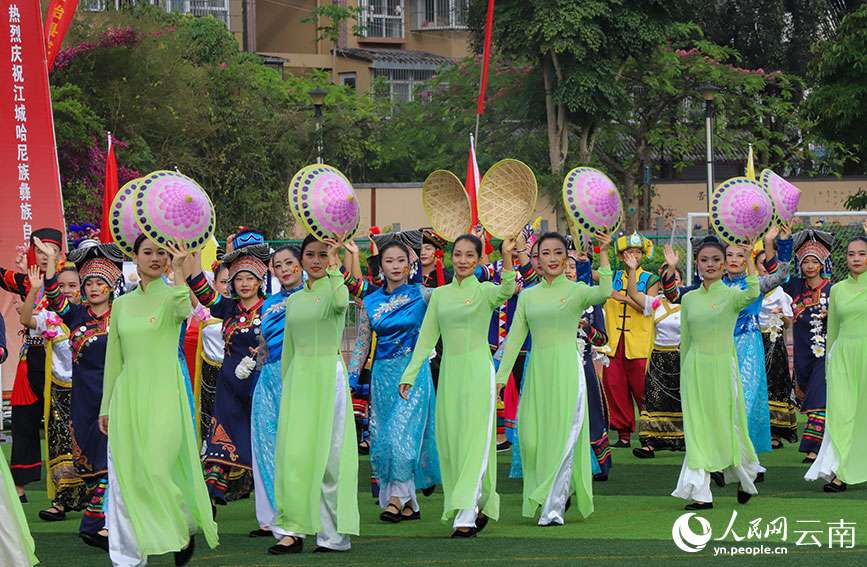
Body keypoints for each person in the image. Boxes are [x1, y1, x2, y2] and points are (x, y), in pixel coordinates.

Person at [100, 235, 218, 566]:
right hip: (126, 396)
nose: (154, 258)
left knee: (157, 469)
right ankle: (126, 558)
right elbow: (114, 358)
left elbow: (184, 309)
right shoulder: (121, 304)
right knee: (125, 479)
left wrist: (180, 270)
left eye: (161, 253)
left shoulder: (173, 296)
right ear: (134, 258)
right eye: (147, 252)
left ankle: (181, 527)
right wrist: (106, 405)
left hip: (166, 393)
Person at [399, 233, 517, 538]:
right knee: (451, 443)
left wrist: (506, 255)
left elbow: (507, 288)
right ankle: (475, 500)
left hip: (479, 372)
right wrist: (409, 375)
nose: (463, 261)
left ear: (478, 261)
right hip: (450, 374)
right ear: (450, 258)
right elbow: (426, 338)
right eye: (459, 255)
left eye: (469, 256)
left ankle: (465, 515)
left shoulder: (485, 292)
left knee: (475, 441)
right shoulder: (439, 295)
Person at [496, 232, 612, 526]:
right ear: (536, 259)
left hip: (568, 369)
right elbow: (515, 338)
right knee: (532, 440)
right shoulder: (528, 296)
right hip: (538, 371)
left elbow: (605, 292)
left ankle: (552, 509)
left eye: (557, 253)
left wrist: (604, 252)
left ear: (566, 257)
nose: (551, 259)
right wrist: (500, 377)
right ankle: (562, 487)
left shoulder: (577, 290)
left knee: (564, 437)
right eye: (544, 253)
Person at [270, 234, 359, 554]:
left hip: (329, 374)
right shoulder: (293, 301)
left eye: (323, 255)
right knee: (294, 455)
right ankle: (292, 530)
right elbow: (288, 351)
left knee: (331, 458)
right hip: (298, 379)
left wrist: (337, 261)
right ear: (301, 259)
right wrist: (286, 387)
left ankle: (333, 535)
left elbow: (340, 304)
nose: (317, 260)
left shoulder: (335, 288)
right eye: (311, 255)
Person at [662, 237, 789, 459]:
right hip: (714, 349)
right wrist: (671, 268)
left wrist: (776, 243)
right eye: (729, 255)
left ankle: (746, 460)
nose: (734, 259)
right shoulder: (709, 287)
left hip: (747, 346)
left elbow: (782, 276)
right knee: (717, 404)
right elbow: (674, 295)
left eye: (740, 255)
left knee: (744, 402)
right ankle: (721, 455)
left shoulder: (754, 283)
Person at [37, 239, 126, 550]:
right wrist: (50, 264)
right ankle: (108, 524)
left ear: (112, 285)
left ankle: (95, 523)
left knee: (108, 463)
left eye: (100, 282)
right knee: (90, 465)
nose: (93, 288)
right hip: (83, 400)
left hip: (115, 398)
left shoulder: (123, 315)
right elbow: (52, 297)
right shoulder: (76, 316)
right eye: (89, 283)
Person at [348, 240, 440, 523]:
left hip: (413, 373)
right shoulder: (371, 302)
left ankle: (396, 500)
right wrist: (350, 377)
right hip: (382, 376)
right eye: (390, 261)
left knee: (400, 435)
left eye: (401, 260)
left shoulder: (424, 295)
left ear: (410, 264)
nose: (396, 266)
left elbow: (458, 300)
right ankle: (408, 503)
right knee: (383, 436)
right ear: (381, 266)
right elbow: (362, 343)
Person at [672, 236, 762, 509]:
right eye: (704, 260)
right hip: (694, 369)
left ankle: (748, 476)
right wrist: (684, 373)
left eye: (716, 260)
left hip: (723, 368)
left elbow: (753, 293)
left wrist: (749, 261)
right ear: (696, 264)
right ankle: (701, 493)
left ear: (725, 265)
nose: (710, 264)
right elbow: (686, 339)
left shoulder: (732, 295)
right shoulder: (689, 299)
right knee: (697, 428)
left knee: (728, 424)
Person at [183, 230, 269, 509]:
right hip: (229, 386)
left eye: (250, 278)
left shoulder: (271, 309)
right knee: (221, 438)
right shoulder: (228, 308)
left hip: (261, 386)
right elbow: (199, 287)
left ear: (260, 281)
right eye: (238, 279)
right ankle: (211, 494)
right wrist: (194, 254)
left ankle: (271, 513)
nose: (244, 284)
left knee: (262, 445)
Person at [19, 257, 89, 527]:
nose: (69, 290)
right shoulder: (51, 317)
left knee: (88, 444)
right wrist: (34, 290)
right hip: (59, 393)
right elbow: (25, 318)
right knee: (60, 445)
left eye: (73, 285)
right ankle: (60, 500)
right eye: (63, 285)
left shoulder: (92, 315)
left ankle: (95, 498)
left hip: (88, 393)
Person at [0, 227, 64, 501]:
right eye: (39, 249)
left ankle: (67, 484)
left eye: (50, 249)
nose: (44, 254)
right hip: (31, 358)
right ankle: (20, 484)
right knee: (24, 420)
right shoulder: (27, 281)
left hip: (62, 361)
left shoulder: (69, 281)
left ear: (60, 253)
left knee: (61, 422)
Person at [250, 244, 305, 537]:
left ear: (302, 264)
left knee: (296, 449)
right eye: (278, 265)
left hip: (301, 377)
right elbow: (266, 345)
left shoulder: (313, 297)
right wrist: (257, 355)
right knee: (266, 445)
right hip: (268, 380)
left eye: (289, 263)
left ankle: (298, 513)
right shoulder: (268, 304)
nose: (284, 269)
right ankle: (272, 516)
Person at [805, 236, 867, 492]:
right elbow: (833, 330)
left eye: (862, 254)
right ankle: (840, 471)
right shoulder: (837, 289)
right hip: (842, 357)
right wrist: (829, 365)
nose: (856, 258)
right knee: (842, 414)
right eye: (851, 254)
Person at [771, 228, 833, 462]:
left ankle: (813, 448)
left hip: (825, 354)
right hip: (802, 354)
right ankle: (825, 443)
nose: (809, 266)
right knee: (810, 399)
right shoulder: (794, 288)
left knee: (818, 398)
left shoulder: (831, 290)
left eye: (814, 262)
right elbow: (775, 271)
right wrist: (780, 242)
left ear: (821, 265)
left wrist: (832, 314)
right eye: (805, 261)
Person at [601, 232, 659, 448]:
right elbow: (600, 275)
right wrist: (604, 250)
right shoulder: (614, 276)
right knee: (615, 387)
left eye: (636, 252)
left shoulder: (651, 279)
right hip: (614, 342)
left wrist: (623, 297)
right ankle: (623, 435)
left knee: (643, 389)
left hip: (640, 343)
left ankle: (650, 434)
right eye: (628, 252)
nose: (632, 255)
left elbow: (649, 309)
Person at [622, 259, 684, 458]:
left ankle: (684, 439)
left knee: (681, 400)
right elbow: (633, 294)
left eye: (674, 278)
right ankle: (650, 442)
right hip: (658, 359)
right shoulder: (656, 303)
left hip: (680, 358)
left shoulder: (688, 303)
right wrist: (632, 270)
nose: (669, 284)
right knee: (654, 400)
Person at [756, 231, 796, 449]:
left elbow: (790, 322)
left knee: (775, 384)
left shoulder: (780, 292)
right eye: (760, 264)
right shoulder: (751, 289)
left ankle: (776, 432)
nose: (765, 267)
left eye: (767, 263)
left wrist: (781, 316)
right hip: (754, 340)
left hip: (775, 341)